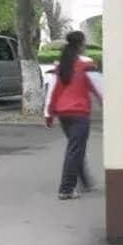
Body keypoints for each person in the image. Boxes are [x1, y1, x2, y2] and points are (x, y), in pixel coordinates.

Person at [44, 31, 102, 200]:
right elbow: (100, 88)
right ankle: (66, 189)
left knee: (75, 147)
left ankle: (85, 182)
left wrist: (48, 114)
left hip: (64, 115)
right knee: (75, 149)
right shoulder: (86, 65)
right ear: (81, 45)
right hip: (79, 114)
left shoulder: (61, 65)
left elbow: (52, 92)